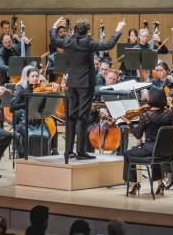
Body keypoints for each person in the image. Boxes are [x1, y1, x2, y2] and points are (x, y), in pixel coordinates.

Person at [51, 16, 125, 160]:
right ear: (87, 31)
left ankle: (68, 151)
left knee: (71, 117)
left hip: (71, 83)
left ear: (75, 30)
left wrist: (54, 27)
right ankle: (80, 152)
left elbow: (54, 40)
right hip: (85, 84)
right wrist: (118, 29)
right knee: (82, 117)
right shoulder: (88, 42)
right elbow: (108, 45)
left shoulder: (68, 41)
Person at [124, 87, 173, 195]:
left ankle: (133, 184)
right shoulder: (169, 114)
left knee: (128, 154)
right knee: (154, 152)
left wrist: (129, 123)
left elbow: (138, 134)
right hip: (167, 152)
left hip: (151, 150)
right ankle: (160, 183)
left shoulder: (146, 115)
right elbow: (172, 131)